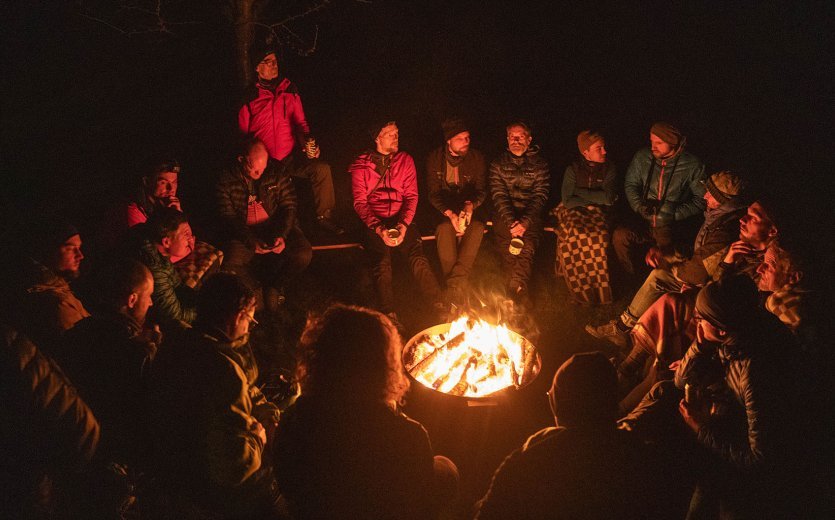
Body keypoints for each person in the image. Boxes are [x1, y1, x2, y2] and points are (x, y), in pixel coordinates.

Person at [274, 304, 458, 519]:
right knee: (446, 469)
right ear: (382, 363)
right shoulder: (408, 435)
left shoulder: (293, 421)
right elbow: (418, 501)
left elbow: (287, 484)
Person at [476, 352, 673, 519]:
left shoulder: (531, 459)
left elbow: (489, 513)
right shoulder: (639, 458)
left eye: (552, 395)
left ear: (560, 407)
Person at [147, 273, 281, 518]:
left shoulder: (180, 342)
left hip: (172, 469)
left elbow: (245, 390)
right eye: (250, 320)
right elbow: (237, 467)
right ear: (238, 316)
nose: (249, 327)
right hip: (203, 488)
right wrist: (258, 436)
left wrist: (265, 412)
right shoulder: (222, 371)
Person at [587, 170, 747, 348]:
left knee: (658, 277)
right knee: (628, 242)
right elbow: (697, 250)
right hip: (697, 270)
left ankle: (622, 329)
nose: (706, 195)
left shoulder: (726, 228)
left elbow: (698, 271)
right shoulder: (716, 216)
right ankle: (626, 324)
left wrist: (668, 262)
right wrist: (667, 253)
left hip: (709, 289)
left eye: (711, 193)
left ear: (723, 199)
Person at [56, 259, 158, 470]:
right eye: (149, 297)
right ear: (132, 299)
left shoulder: (78, 331)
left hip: (75, 443)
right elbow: (145, 418)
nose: (151, 304)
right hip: (114, 459)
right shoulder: (136, 354)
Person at [238, 44, 343, 234]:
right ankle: (285, 230)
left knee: (321, 169)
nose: (273, 65)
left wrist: (308, 144)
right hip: (265, 162)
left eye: (275, 61)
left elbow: (301, 123)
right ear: (257, 67)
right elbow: (243, 134)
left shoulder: (289, 89)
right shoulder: (250, 96)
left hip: (289, 156)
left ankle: (324, 216)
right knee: (273, 191)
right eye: (267, 62)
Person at [350, 120, 444, 319]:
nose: (396, 137)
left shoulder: (405, 160)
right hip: (375, 221)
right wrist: (378, 228)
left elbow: (411, 196)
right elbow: (360, 202)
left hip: (400, 219)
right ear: (377, 138)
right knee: (382, 263)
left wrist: (403, 224)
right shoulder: (362, 165)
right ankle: (389, 314)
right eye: (390, 133)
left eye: (397, 133)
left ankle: (439, 304)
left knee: (418, 257)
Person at [216, 137, 313, 312]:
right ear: (241, 160)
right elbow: (228, 216)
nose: (260, 173)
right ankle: (256, 291)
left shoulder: (277, 171)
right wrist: (249, 240)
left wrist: (281, 235)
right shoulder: (226, 178)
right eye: (255, 170)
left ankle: (276, 286)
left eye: (264, 167)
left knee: (303, 253)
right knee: (229, 261)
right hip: (246, 231)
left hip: (275, 225)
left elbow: (289, 205)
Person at [614, 122, 706, 275]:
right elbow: (631, 184)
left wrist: (673, 213)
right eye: (651, 141)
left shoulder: (692, 165)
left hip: (670, 226)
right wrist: (638, 205)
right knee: (620, 235)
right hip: (644, 219)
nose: (653, 146)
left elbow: (701, 200)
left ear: (673, 143)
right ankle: (629, 275)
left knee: (664, 256)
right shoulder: (643, 157)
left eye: (659, 142)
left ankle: (664, 283)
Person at [122, 158, 223, 288]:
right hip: (136, 273)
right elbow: (148, 257)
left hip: (166, 259)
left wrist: (177, 213)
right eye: (163, 182)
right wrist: (185, 247)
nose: (171, 188)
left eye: (175, 182)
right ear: (147, 181)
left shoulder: (165, 203)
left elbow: (188, 238)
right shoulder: (134, 211)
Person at [425, 117, 487, 304]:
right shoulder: (435, 158)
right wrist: (450, 214)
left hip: (467, 208)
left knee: (476, 228)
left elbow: (482, 190)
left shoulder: (476, 158)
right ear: (448, 141)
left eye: (467, 137)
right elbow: (433, 194)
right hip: (444, 210)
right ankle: (459, 286)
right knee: (444, 230)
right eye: (460, 138)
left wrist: (470, 207)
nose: (466, 142)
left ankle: (453, 288)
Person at [552, 130, 617, 305]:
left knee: (597, 236)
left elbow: (608, 198)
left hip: (599, 212)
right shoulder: (573, 170)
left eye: (604, 147)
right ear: (585, 152)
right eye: (599, 148)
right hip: (573, 210)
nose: (604, 151)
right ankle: (579, 289)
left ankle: (599, 290)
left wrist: (579, 193)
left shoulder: (609, 169)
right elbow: (567, 200)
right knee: (573, 233)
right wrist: (595, 196)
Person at [489, 121, 550, 302]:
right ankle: (519, 292)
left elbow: (540, 195)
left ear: (529, 140)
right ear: (507, 139)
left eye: (520, 136)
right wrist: (511, 222)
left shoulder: (540, 164)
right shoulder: (498, 163)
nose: (515, 140)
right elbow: (499, 195)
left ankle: (513, 292)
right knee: (508, 249)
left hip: (531, 217)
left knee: (527, 247)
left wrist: (525, 222)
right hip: (504, 216)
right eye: (512, 137)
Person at [16, 221, 90, 350]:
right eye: (70, 248)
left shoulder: (59, 288)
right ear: (49, 250)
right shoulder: (56, 304)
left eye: (79, 248)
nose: (80, 255)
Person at [130, 207, 198, 327]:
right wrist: (205, 313)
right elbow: (174, 316)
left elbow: (177, 285)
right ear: (166, 242)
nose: (191, 239)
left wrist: (204, 300)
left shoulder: (156, 249)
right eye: (186, 234)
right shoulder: (152, 266)